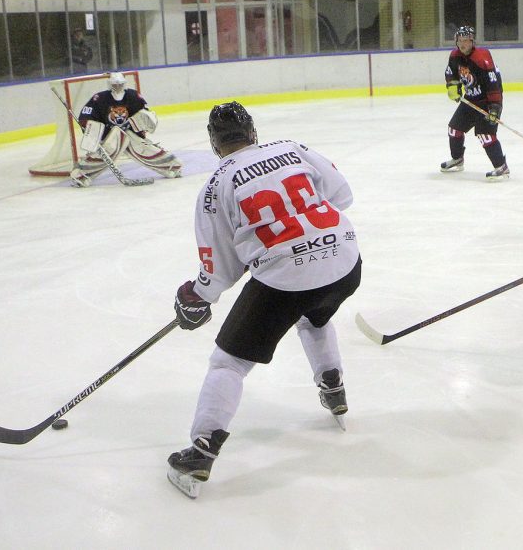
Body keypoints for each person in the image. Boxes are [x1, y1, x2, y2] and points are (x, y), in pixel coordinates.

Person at [167, 101, 362, 499]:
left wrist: (196, 296)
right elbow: (342, 195)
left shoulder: (214, 187)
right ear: (253, 132)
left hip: (288, 278)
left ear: (215, 144)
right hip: (346, 262)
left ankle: (201, 452)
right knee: (314, 317)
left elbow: (218, 269)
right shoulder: (292, 148)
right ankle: (333, 386)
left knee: (229, 362)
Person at [70, 72, 183, 187]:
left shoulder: (133, 96)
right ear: (110, 85)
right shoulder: (100, 98)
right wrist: (91, 131)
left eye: (120, 84)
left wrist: (138, 128)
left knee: (142, 148)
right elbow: (86, 116)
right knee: (108, 150)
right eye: (115, 84)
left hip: (129, 134)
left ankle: (172, 166)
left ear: (124, 84)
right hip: (109, 136)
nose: (118, 87)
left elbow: (146, 115)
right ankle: (80, 175)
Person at [441, 26, 509, 180]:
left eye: (467, 40)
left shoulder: (481, 57)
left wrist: (495, 108)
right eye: (460, 41)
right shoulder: (455, 56)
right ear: (456, 42)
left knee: (485, 135)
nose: (464, 44)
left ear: (472, 41)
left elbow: (494, 84)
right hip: (470, 100)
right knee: (454, 129)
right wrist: (452, 86)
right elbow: (450, 72)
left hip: (488, 102)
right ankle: (458, 159)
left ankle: (501, 167)